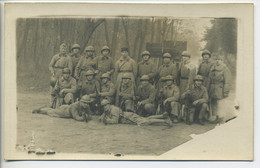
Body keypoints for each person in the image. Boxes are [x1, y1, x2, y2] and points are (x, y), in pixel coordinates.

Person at [99, 99, 173, 127]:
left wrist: (107, 120)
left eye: (105, 105)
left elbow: (115, 121)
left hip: (129, 118)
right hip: (128, 116)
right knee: (146, 118)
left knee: (146, 122)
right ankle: (161, 116)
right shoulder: (109, 108)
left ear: (109, 104)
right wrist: (102, 117)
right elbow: (103, 115)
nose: (104, 107)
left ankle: (165, 121)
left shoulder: (113, 110)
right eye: (103, 106)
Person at [49, 43, 73, 108]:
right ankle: (51, 103)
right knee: (53, 88)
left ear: (66, 50)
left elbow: (70, 69)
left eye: (65, 49)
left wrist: (67, 76)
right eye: (62, 48)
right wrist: (52, 71)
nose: (63, 50)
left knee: (61, 88)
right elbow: (50, 65)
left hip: (64, 74)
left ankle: (60, 103)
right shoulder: (55, 57)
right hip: (56, 73)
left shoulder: (68, 58)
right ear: (59, 49)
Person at [208, 55, 231, 122]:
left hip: (220, 88)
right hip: (212, 88)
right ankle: (215, 117)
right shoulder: (212, 68)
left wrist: (226, 91)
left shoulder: (225, 69)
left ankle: (221, 117)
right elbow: (209, 79)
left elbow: (227, 81)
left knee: (220, 103)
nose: (217, 61)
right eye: (216, 59)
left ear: (222, 61)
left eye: (220, 59)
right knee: (213, 103)